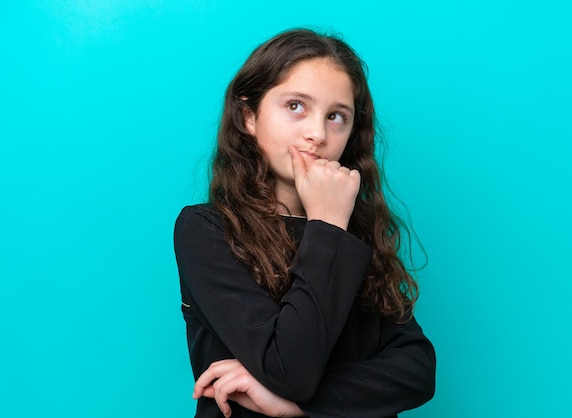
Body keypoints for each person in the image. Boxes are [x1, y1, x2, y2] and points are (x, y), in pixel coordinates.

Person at [174, 28, 436, 418]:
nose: (317, 134)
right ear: (249, 116)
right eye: (295, 106)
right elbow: (290, 368)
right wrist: (328, 224)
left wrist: (289, 405)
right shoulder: (207, 230)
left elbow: (416, 371)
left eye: (336, 116)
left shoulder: (356, 233)